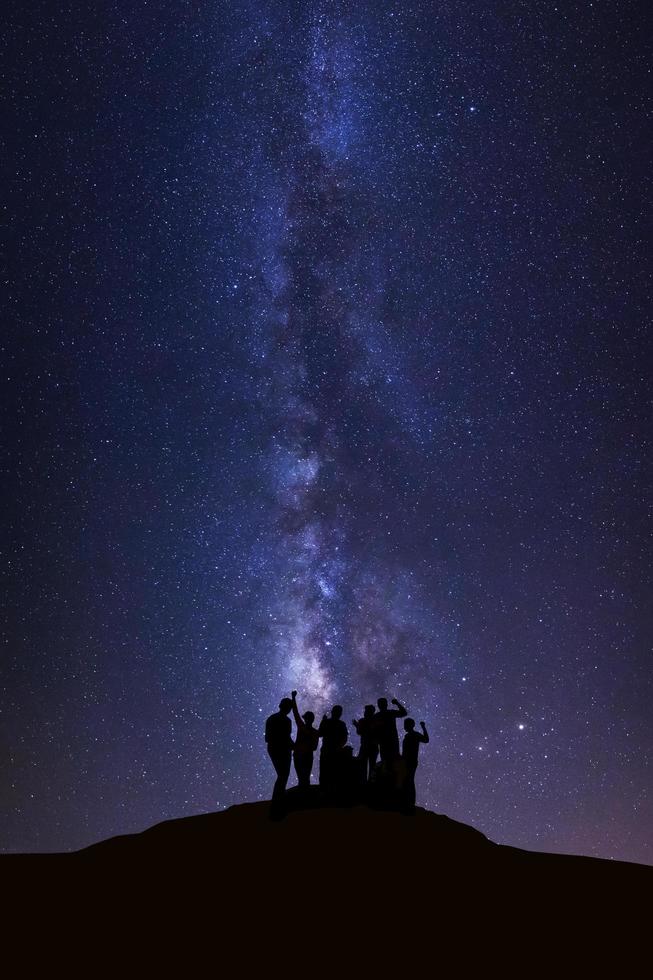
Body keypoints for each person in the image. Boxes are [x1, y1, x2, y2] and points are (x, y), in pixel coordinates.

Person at [265, 697, 294, 809]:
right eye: (289, 707)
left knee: (282, 776)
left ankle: (277, 800)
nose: (289, 709)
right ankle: (277, 802)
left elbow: (268, 738)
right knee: (283, 775)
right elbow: (286, 737)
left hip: (276, 749)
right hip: (281, 749)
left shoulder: (272, 718)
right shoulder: (286, 721)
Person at [290, 690, 319, 790]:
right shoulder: (315, 732)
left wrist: (293, 697)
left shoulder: (301, 726)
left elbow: (295, 712)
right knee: (305, 778)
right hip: (307, 755)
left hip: (299, 755)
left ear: (306, 719)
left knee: (302, 778)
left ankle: (302, 799)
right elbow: (315, 747)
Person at [318, 705, 348, 792]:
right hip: (335, 752)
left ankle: (323, 793)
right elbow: (345, 738)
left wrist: (323, 721)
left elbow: (320, 734)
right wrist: (339, 747)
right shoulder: (342, 724)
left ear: (332, 712)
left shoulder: (326, 722)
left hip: (326, 751)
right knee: (334, 773)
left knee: (324, 772)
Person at [401, 719, 429, 809]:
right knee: (407, 781)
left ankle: (410, 802)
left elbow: (426, 739)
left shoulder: (414, 735)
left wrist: (423, 727)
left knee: (409, 780)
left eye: (406, 724)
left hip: (411, 761)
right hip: (406, 761)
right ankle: (407, 801)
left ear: (410, 725)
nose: (404, 726)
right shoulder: (409, 735)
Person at [374, 697, 408, 765]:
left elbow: (374, 730)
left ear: (378, 705)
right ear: (386, 704)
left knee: (386, 762)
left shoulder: (376, 716)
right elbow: (404, 713)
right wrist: (397, 703)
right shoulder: (390, 713)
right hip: (392, 740)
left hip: (384, 742)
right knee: (394, 761)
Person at [352, 704, 378, 782]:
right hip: (373, 746)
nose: (365, 712)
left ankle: (364, 783)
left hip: (365, 746)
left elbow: (359, 732)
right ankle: (371, 783)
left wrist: (357, 726)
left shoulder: (362, 721)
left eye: (366, 711)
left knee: (363, 766)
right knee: (372, 766)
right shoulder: (376, 721)